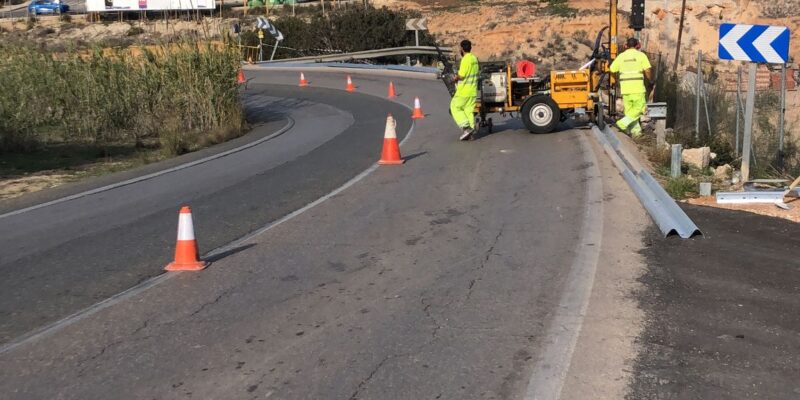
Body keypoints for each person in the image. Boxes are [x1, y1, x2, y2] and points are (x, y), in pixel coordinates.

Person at [609, 37, 652, 138]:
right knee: (640, 108)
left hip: (625, 89)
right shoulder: (641, 55)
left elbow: (612, 69)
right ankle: (622, 123)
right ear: (638, 45)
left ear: (626, 46)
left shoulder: (621, 56)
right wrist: (650, 80)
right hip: (637, 88)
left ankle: (636, 134)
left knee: (630, 113)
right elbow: (648, 70)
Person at [450, 40, 480, 141]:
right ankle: (471, 133)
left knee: (454, 107)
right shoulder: (474, 59)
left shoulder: (465, 59)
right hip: (472, 90)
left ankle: (466, 128)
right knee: (468, 110)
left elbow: (462, 75)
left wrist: (455, 78)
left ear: (462, 49)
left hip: (464, 91)